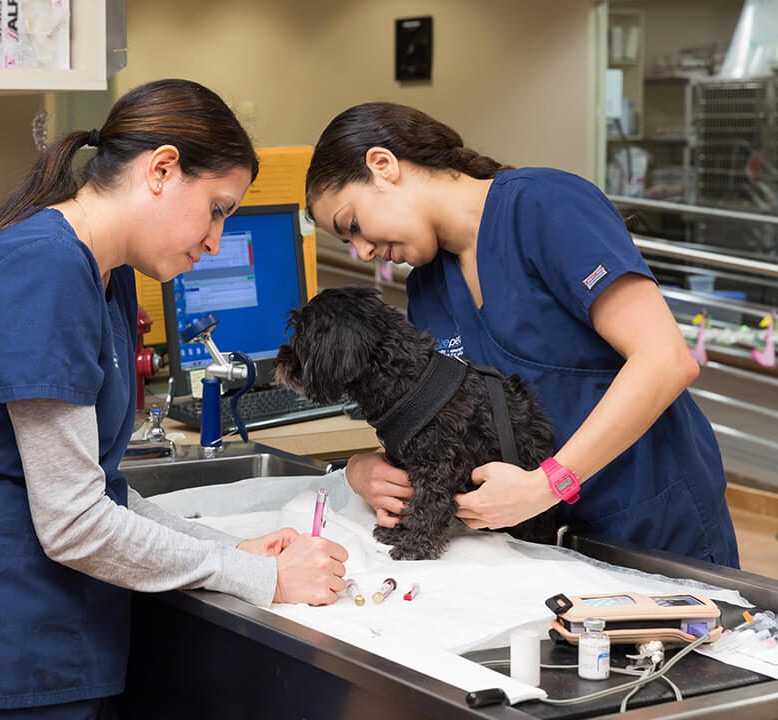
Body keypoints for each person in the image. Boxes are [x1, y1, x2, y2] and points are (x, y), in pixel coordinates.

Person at [0, 79, 349, 719]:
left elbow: (100, 490)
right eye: (218, 209)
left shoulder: (109, 275)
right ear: (162, 169)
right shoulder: (44, 269)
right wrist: (260, 579)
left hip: (39, 638)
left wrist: (228, 554)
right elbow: (72, 522)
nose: (214, 241)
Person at [305, 102, 738, 568]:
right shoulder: (428, 289)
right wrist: (364, 468)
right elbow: (445, 422)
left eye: (352, 226)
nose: (362, 250)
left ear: (383, 165)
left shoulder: (545, 206)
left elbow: (665, 359)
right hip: (535, 545)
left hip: (649, 523)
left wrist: (549, 483)